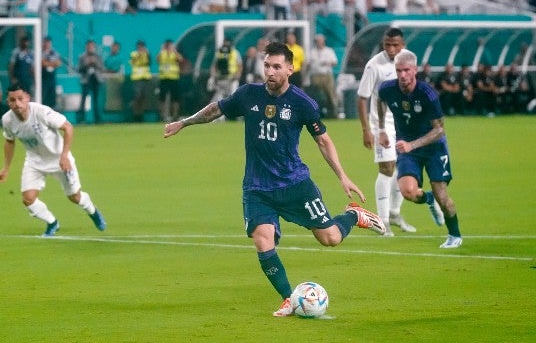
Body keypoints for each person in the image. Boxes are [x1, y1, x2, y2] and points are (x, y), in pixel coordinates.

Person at [164, 42, 385, 316]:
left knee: (329, 238)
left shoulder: (302, 103)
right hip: (257, 187)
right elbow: (216, 109)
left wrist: (342, 175)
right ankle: (289, 298)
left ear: (290, 69)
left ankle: (354, 216)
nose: (269, 71)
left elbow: (323, 141)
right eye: (266, 65)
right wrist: (184, 123)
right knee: (262, 239)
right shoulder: (248, 95)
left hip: (295, 184)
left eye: (276, 66)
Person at [0, 83, 106, 237]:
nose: (17, 103)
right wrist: (5, 168)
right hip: (34, 162)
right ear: (8, 102)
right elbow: (9, 141)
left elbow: (68, 127)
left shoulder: (41, 112)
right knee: (28, 200)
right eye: (12, 100)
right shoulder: (7, 120)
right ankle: (52, 223)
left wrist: (65, 155)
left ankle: (93, 212)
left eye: (20, 98)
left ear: (27, 98)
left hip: (59, 160)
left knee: (75, 197)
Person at [377, 50, 462, 249]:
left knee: (443, 196)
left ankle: (455, 235)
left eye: (407, 70)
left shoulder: (427, 93)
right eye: (399, 71)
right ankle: (428, 198)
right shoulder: (387, 89)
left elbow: (439, 130)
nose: (403, 75)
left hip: (434, 149)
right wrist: (381, 129)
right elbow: (380, 101)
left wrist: (411, 144)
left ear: (415, 70)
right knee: (408, 192)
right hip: (408, 150)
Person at [356, 27, 420, 237]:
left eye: (396, 45)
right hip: (381, 126)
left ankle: (394, 213)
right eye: (387, 45)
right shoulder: (374, 65)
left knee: (404, 169)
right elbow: (362, 98)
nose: (391, 49)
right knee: (387, 169)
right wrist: (366, 129)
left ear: (403, 45)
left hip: (405, 124)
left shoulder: (408, 62)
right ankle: (382, 222)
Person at [305, 34, 338, 118]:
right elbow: (308, 65)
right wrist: (306, 76)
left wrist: (327, 63)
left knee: (330, 94)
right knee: (317, 96)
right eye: (317, 41)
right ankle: (318, 114)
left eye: (321, 41)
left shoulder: (329, 51)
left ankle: (333, 114)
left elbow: (335, 62)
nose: (319, 43)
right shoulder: (312, 52)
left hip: (326, 75)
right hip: (315, 76)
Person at [77, 39, 105, 124]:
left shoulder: (98, 56)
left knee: (96, 100)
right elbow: (78, 69)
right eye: (89, 46)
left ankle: (98, 119)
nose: (90, 48)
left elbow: (102, 68)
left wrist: (95, 63)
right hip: (86, 80)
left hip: (96, 79)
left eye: (92, 46)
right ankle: (82, 119)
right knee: (83, 99)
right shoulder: (82, 57)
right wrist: (87, 64)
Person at [208, 38, 242, 105]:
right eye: (225, 43)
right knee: (218, 98)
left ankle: (233, 113)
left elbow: (240, 66)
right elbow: (214, 66)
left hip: (232, 79)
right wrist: (212, 76)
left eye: (227, 43)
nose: (226, 45)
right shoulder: (219, 53)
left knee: (232, 97)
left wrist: (237, 76)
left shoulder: (235, 53)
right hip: (220, 79)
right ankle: (218, 112)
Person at [157, 39, 184, 122]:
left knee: (175, 98)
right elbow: (157, 60)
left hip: (174, 78)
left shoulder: (175, 53)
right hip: (164, 78)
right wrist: (162, 50)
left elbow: (181, 60)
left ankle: (175, 116)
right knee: (162, 98)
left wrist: (174, 51)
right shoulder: (162, 53)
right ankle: (163, 116)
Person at [129, 40, 153, 122]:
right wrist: (140, 54)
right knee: (137, 96)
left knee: (144, 97)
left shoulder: (147, 53)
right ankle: (135, 113)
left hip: (145, 77)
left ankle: (141, 114)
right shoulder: (134, 54)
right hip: (137, 78)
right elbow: (133, 61)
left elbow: (149, 62)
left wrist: (147, 54)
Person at [41, 37, 62, 109]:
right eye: (45, 42)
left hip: (52, 77)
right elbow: (42, 63)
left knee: (52, 96)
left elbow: (59, 63)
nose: (47, 44)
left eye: (48, 43)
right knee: (44, 96)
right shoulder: (40, 52)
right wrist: (53, 63)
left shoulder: (54, 52)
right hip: (43, 77)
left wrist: (48, 63)